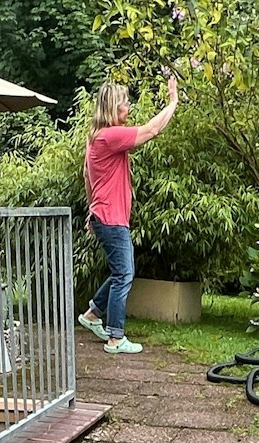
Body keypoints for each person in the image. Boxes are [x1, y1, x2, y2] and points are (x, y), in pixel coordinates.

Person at [78, 77, 178, 355]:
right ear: (113, 107)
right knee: (124, 275)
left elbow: (87, 176)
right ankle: (115, 338)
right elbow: (152, 130)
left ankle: (92, 314)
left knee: (121, 272)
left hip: (105, 215)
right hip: (111, 217)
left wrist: (92, 208)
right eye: (125, 102)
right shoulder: (110, 135)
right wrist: (173, 101)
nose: (129, 106)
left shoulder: (96, 137)